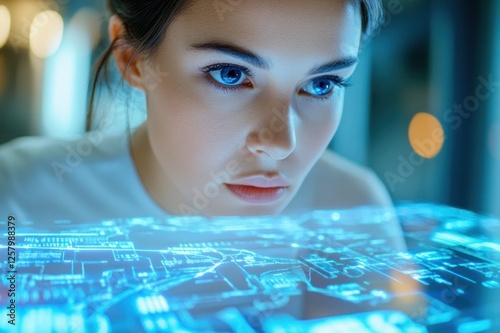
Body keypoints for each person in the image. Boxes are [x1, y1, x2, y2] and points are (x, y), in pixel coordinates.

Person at [0, 0, 393, 223]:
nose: (280, 144)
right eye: (231, 74)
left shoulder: (355, 210)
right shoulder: (16, 195)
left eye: (322, 84)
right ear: (133, 59)